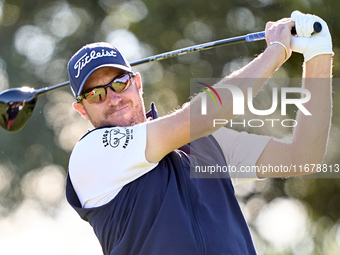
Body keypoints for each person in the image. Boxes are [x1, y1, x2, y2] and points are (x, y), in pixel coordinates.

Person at [65, 11, 333, 255]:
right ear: (82, 109)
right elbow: (206, 116)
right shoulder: (92, 155)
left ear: (137, 83)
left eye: (120, 83)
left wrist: (318, 55)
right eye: (96, 93)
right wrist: (276, 51)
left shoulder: (204, 143)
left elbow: (302, 155)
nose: (113, 98)